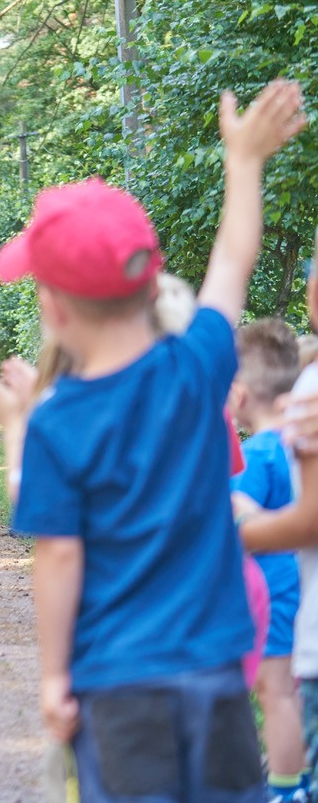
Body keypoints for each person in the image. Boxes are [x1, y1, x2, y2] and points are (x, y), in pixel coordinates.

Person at [0, 80, 304, 802]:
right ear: (150, 281)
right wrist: (244, 161)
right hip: (217, 669)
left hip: (118, 680)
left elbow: (60, 556)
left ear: (54, 306)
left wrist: (51, 677)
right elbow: (233, 262)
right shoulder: (196, 367)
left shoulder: (55, 422)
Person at [229, 319, 308, 803]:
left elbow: (237, 526)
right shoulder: (298, 443)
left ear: (238, 395)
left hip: (272, 588)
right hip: (301, 583)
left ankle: (284, 788)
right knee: (292, 691)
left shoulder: (254, 454)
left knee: (274, 691)